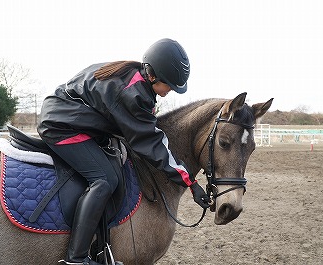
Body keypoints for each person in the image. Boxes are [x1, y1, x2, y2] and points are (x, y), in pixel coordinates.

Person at [37, 38, 210, 265]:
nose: (170, 91)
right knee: (105, 179)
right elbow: (151, 144)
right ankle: (75, 259)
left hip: (70, 116)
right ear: (153, 75)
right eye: (169, 84)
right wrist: (190, 183)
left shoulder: (131, 75)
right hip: (62, 126)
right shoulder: (134, 94)